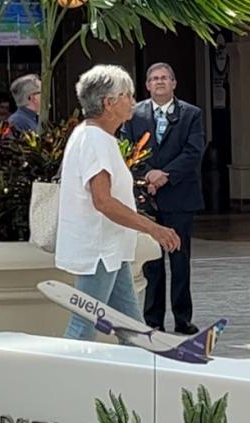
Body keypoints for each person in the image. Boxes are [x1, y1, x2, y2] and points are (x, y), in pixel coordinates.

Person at [56, 64, 181, 341]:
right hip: (99, 250)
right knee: (83, 326)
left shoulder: (95, 136)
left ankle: (145, 379)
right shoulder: (94, 139)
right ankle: (63, 381)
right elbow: (104, 202)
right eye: (128, 95)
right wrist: (153, 228)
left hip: (109, 249)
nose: (133, 102)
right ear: (108, 103)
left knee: (133, 329)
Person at [125, 63, 205, 335]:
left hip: (180, 196)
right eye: (154, 79)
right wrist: (148, 176)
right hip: (146, 197)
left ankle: (182, 318)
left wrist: (166, 175)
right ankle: (153, 320)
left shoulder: (191, 114)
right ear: (147, 85)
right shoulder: (133, 114)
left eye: (164, 78)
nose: (159, 82)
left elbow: (194, 151)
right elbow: (126, 151)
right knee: (152, 262)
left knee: (180, 260)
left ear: (174, 83)